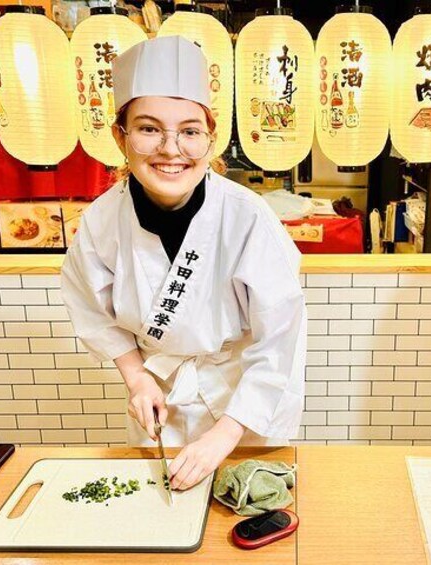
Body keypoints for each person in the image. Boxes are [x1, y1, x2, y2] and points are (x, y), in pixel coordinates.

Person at [61, 36, 307, 489]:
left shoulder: (249, 218)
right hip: (162, 401)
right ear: (121, 137)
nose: (171, 149)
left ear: (210, 140)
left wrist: (224, 435)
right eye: (149, 129)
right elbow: (94, 314)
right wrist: (137, 379)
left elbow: (280, 341)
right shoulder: (100, 223)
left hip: (244, 404)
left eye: (190, 131)